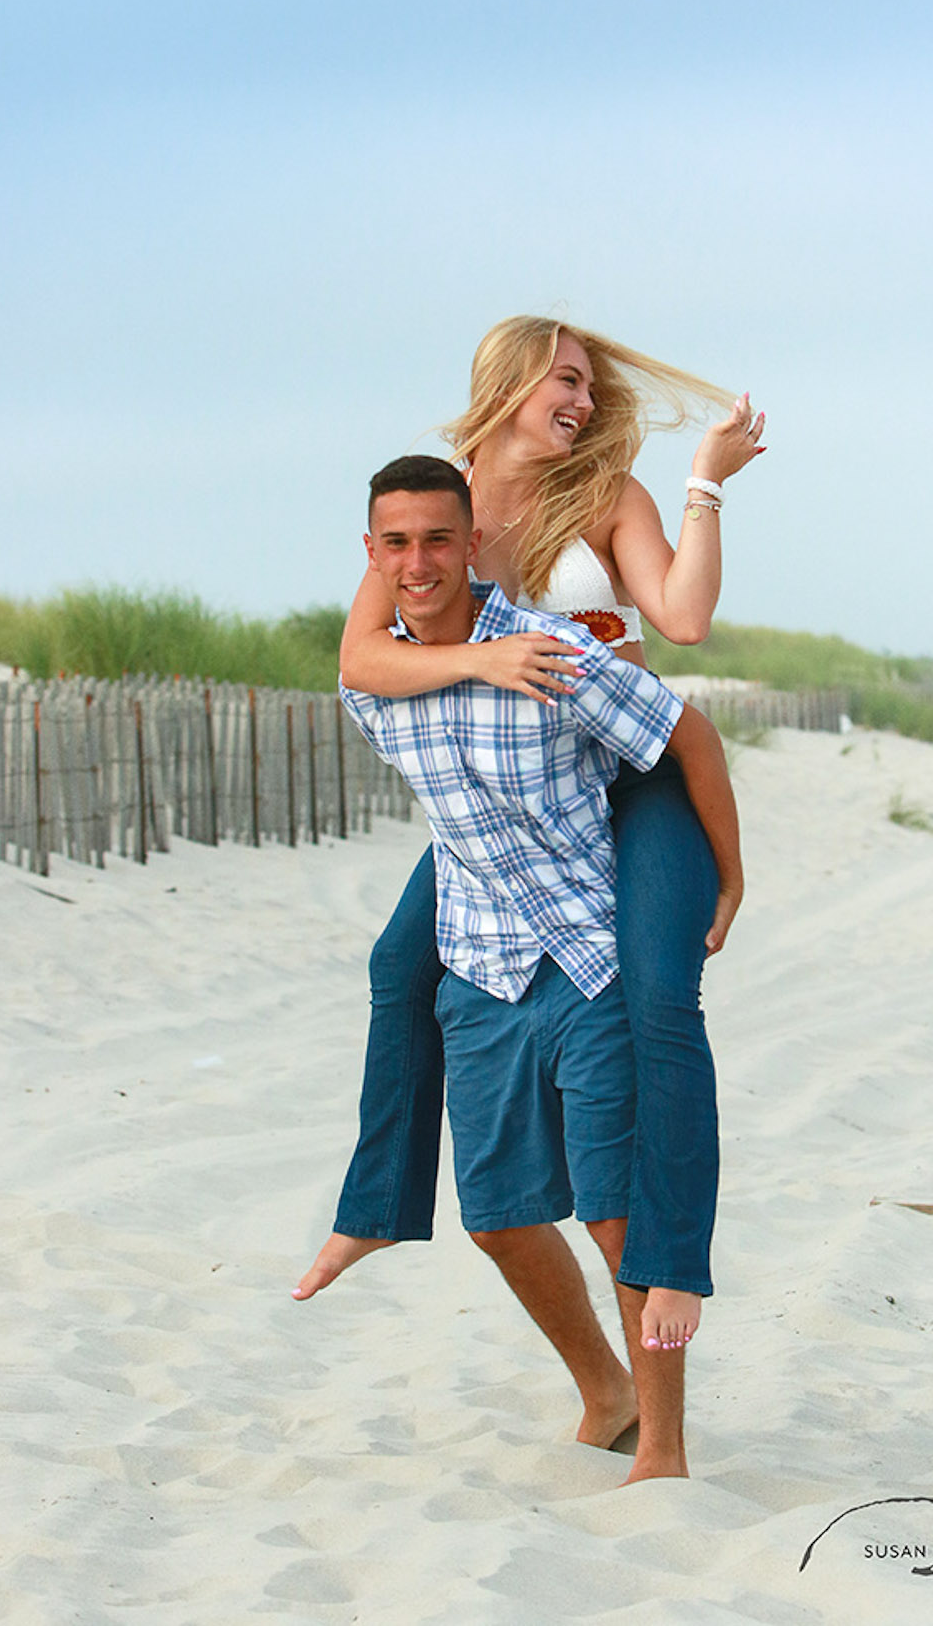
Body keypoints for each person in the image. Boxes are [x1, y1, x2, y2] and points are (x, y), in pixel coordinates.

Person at [295, 316, 764, 1350]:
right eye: (567, 381)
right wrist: (480, 664)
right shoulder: (439, 510)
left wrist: (706, 482)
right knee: (395, 965)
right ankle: (375, 1210)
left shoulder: (602, 496)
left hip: (630, 777)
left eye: (590, 387)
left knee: (659, 993)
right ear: (510, 385)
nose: (585, 404)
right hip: (519, 793)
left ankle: (675, 1259)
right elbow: (366, 660)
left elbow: (682, 622)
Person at [336, 456, 744, 1482]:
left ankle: (663, 1446)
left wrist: (729, 879)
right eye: (398, 544)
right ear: (373, 555)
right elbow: (364, 662)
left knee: (612, 1210)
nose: (419, 561)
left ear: (474, 544)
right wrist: (469, 662)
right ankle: (603, 1392)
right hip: (483, 966)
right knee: (501, 1218)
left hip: (587, 953)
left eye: (439, 540)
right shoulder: (378, 683)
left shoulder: (556, 650)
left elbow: (687, 735)